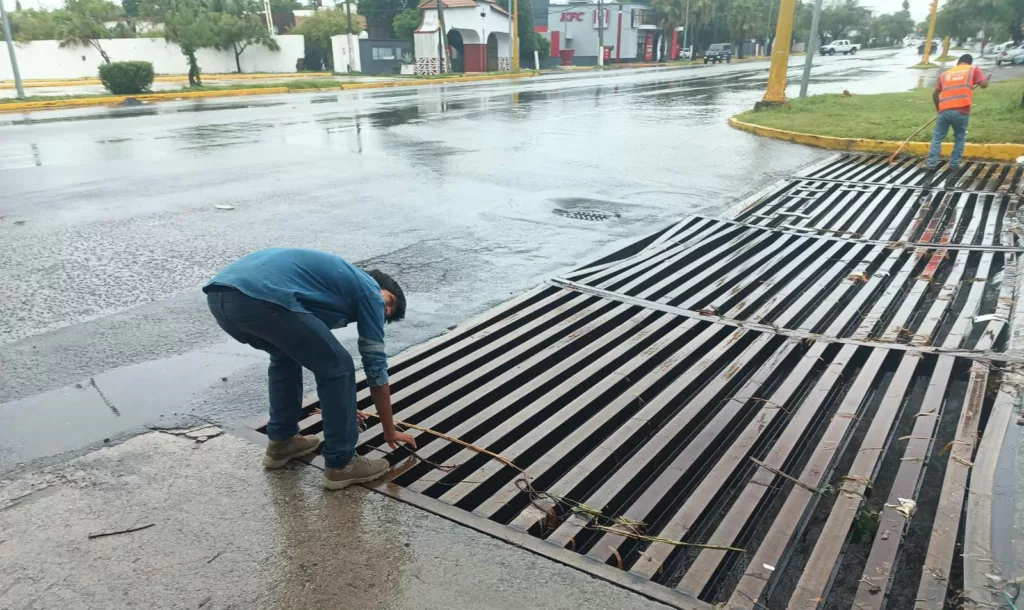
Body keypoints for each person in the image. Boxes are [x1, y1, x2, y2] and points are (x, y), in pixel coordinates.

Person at [203, 248, 416, 490]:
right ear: (377, 284)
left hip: (221, 298)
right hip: (258, 297)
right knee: (340, 366)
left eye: (387, 313)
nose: (383, 310)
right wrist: (390, 431)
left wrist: (341, 410)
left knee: (285, 356)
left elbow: (310, 350)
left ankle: (282, 442)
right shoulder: (368, 289)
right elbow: (374, 366)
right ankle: (341, 464)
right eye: (387, 302)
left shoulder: (325, 287)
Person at [927, 54, 989, 171]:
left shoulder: (945, 74)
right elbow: (983, 85)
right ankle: (954, 164)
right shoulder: (973, 69)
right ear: (969, 62)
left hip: (944, 111)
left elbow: (935, 94)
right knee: (960, 137)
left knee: (937, 138)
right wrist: (986, 80)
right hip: (961, 110)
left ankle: (931, 164)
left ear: (958, 62)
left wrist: (938, 109)